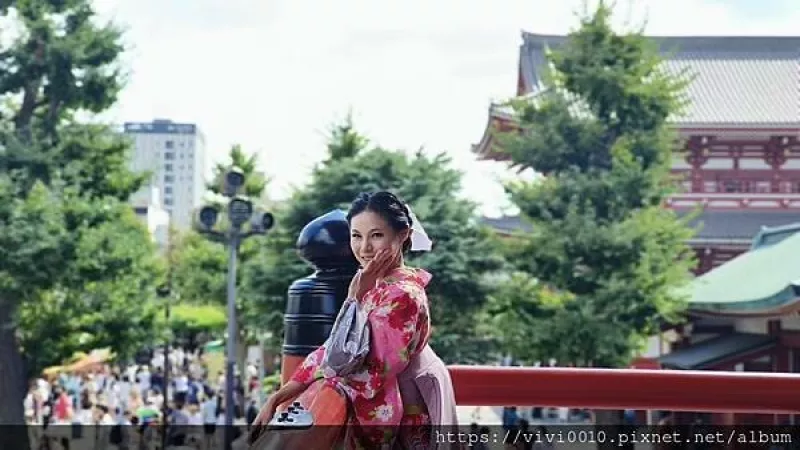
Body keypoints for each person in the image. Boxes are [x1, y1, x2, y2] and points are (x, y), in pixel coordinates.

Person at [252, 191, 458, 449]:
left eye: (377, 235)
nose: (364, 248)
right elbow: (333, 351)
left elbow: (366, 370)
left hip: (406, 404)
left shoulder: (403, 295)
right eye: (356, 236)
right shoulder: (375, 281)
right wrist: (281, 394)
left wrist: (354, 297)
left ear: (403, 234)